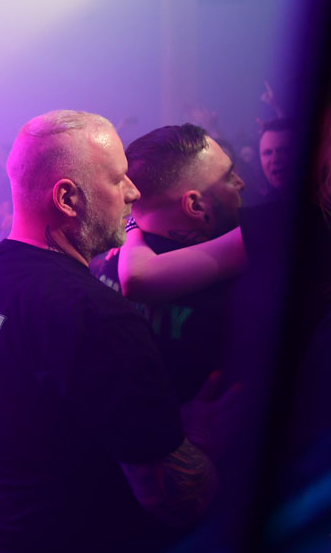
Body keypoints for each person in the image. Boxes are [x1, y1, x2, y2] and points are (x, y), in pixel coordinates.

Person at [0, 110, 224, 553]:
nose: (133, 192)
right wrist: (207, 436)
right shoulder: (96, 317)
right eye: (118, 178)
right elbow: (177, 500)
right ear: (68, 198)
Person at [89, 124, 245, 401]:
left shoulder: (106, 262)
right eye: (229, 177)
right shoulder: (245, 280)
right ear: (196, 206)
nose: (241, 183)